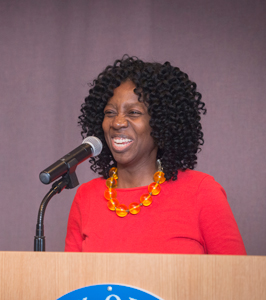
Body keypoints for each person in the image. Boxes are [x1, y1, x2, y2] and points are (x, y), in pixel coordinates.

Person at [65, 56, 246, 254]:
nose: (117, 122)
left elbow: (237, 281)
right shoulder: (87, 197)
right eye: (109, 112)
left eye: (133, 112)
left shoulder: (202, 192)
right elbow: (74, 283)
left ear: (162, 123)